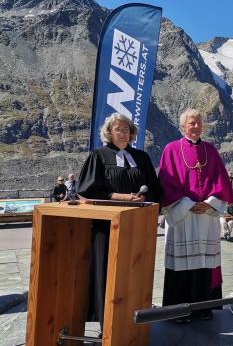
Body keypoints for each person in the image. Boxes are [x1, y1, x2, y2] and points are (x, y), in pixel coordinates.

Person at [77, 113, 161, 325]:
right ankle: (106, 318)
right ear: (109, 132)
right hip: (107, 226)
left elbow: (154, 187)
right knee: (108, 269)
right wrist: (120, 197)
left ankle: (132, 317)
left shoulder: (141, 158)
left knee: (134, 269)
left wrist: (143, 195)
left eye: (126, 129)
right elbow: (87, 189)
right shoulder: (98, 156)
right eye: (118, 129)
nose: (122, 133)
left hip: (136, 225)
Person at [158, 108, 233, 322]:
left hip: (205, 216)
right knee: (180, 266)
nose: (196, 127)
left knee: (204, 263)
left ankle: (203, 308)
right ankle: (177, 311)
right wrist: (188, 204)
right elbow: (165, 181)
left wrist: (209, 203)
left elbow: (221, 181)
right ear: (182, 126)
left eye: (199, 123)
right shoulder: (171, 149)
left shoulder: (210, 150)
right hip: (182, 215)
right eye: (192, 123)